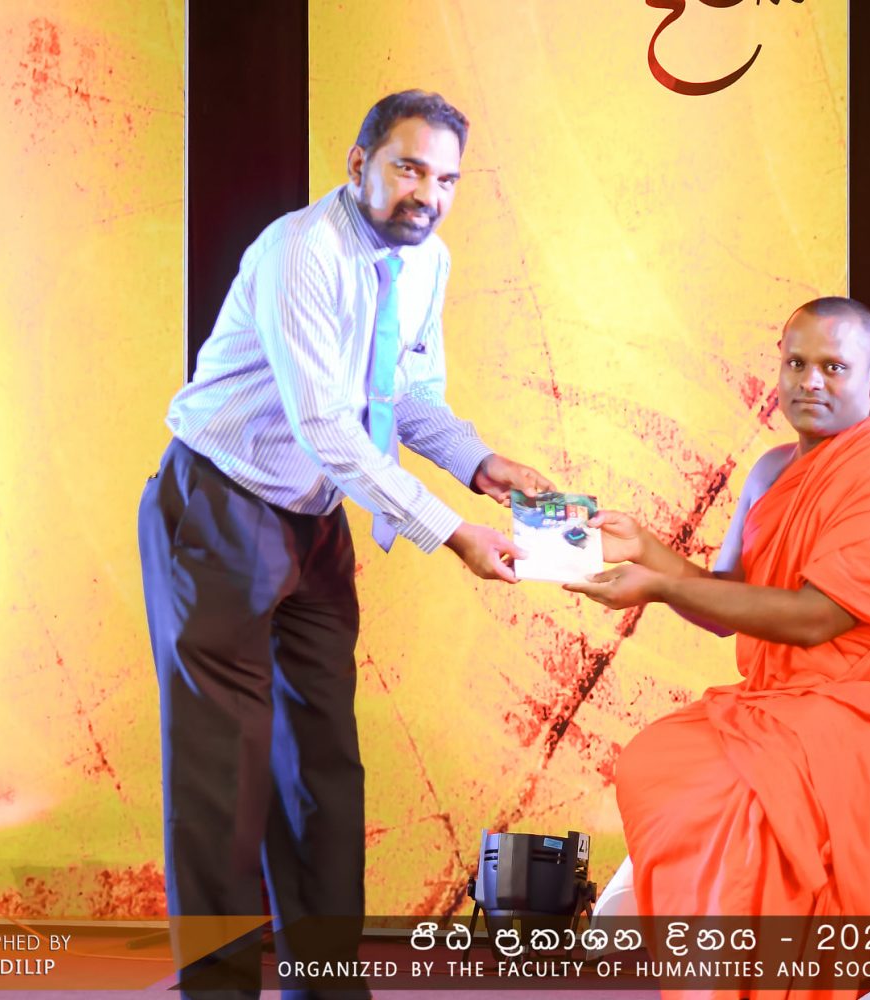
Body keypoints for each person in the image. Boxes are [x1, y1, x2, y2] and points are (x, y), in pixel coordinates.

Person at [138, 90, 551, 997]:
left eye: (447, 179)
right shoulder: (301, 251)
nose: (428, 196)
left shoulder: (427, 260)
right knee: (221, 775)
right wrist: (452, 532)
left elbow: (407, 399)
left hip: (314, 519)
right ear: (359, 163)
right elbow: (325, 422)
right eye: (409, 169)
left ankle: (326, 985)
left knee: (323, 766)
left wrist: (482, 466)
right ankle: (217, 991)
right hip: (218, 506)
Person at [568, 298, 870, 977]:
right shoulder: (769, 470)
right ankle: (719, 977)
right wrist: (646, 549)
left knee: (746, 799)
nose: (810, 382)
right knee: (655, 762)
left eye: (834, 367)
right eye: (796, 364)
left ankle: (765, 978)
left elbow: (815, 618)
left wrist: (657, 587)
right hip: (791, 698)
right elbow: (725, 604)